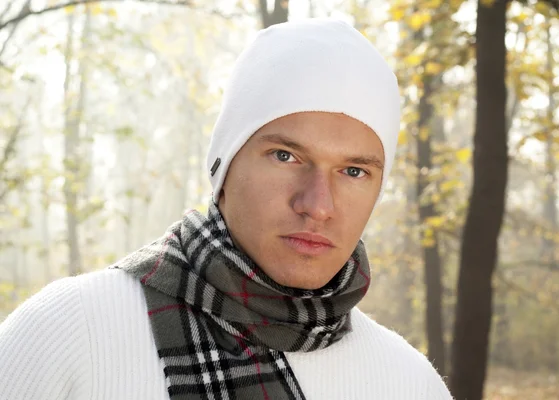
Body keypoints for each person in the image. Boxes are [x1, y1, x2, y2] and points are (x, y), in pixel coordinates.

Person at [0, 18, 452, 400]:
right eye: (286, 156)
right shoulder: (68, 333)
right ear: (223, 166)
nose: (317, 205)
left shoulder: (410, 383)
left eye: (354, 171)